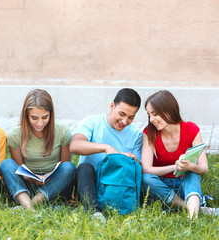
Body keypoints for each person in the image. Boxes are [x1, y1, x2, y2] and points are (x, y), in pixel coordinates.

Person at [70, 88, 142, 220]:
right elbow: (74, 145)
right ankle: (94, 212)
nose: (125, 121)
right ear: (112, 106)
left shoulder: (136, 134)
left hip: (115, 186)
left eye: (131, 117)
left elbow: (137, 169)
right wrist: (106, 148)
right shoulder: (92, 121)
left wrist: (130, 160)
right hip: (88, 183)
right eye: (122, 114)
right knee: (84, 167)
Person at [0, 89, 76, 210]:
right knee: (6, 164)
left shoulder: (62, 131)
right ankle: (29, 204)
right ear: (26, 115)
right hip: (29, 186)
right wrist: (34, 180)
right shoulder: (15, 134)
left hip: (55, 186)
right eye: (34, 118)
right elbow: (20, 170)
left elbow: (65, 166)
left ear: (51, 114)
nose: (40, 123)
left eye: (45, 117)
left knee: (69, 168)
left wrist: (49, 177)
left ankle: (30, 206)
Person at [141, 90, 208, 219]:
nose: (151, 119)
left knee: (191, 173)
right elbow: (146, 169)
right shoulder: (149, 133)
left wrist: (189, 166)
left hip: (184, 184)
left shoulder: (191, 129)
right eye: (149, 115)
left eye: (155, 114)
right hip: (162, 187)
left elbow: (204, 168)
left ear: (169, 112)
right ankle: (191, 207)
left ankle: (192, 217)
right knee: (146, 179)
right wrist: (175, 167)